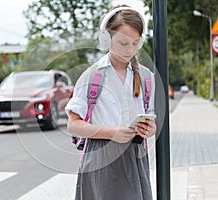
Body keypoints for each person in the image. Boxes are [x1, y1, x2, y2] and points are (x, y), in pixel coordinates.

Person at [65, 5, 156, 200]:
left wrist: (150, 129)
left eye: (135, 43)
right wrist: (111, 133)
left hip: (135, 158)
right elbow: (73, 124)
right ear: (106, 38)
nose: (129, 49)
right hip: (101, 160)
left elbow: (150, 116)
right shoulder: (92, 76)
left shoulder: (146, 77)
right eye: (123, 42)